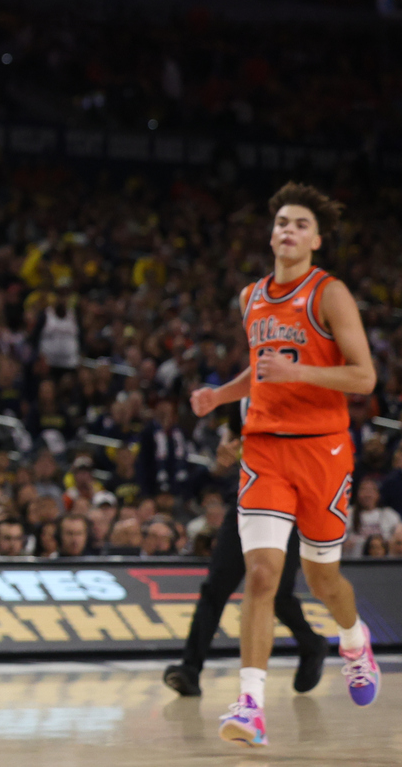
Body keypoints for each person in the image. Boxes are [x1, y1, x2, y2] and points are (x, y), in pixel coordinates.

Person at [191, 183, 381, 745]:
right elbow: (261, 369)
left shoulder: (330, 294)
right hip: (266, 451)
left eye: (300, 224)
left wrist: (301, 374)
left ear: (316, 239)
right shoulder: (252, 296)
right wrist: (220, 396)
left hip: (322, 450)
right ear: (271, 235)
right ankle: (250, 704)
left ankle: (353, 640)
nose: (288, 231)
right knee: (261, 575)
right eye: (281, 223)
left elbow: (364, 378)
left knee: (324, 580)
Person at [164, 436, 326, 699]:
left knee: (278, 594)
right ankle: (190, 669)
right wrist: (223, 458)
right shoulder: (247, 403)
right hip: (245, 507)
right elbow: (227, 448)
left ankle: (312, 644)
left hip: (288, 513)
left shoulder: (303, 413)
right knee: (214, 588)